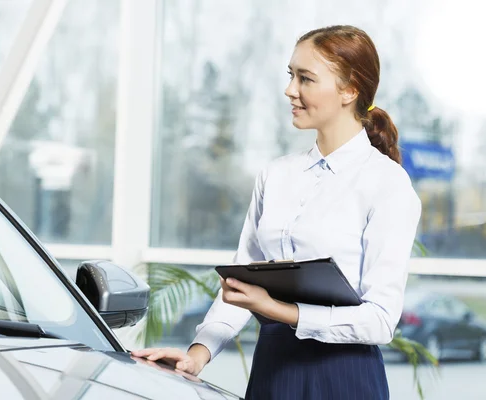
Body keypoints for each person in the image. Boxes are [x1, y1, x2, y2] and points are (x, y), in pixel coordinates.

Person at [131, 25, 422, 399]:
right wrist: (198, 354)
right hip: (272, 372)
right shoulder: (276, 175)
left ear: (349, 90)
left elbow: (380, 321)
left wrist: (277, 309)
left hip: (345, 379)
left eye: (306, 79)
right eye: (291, 75)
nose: (290, 90)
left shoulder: (387, 184)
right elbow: (241, 282)